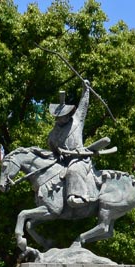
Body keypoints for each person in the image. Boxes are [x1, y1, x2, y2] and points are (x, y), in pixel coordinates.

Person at [48, 80, 100, 208]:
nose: (66, 117)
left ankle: (80, 197)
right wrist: (58, 154)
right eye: (62, 116)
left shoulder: (76, 120)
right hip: (62, 162)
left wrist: (86, 90)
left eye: (67, 115)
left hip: (80, 159)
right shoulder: (52, 135)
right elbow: (53, 152)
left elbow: (83, 106)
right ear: (57, 117)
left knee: (73, 170)